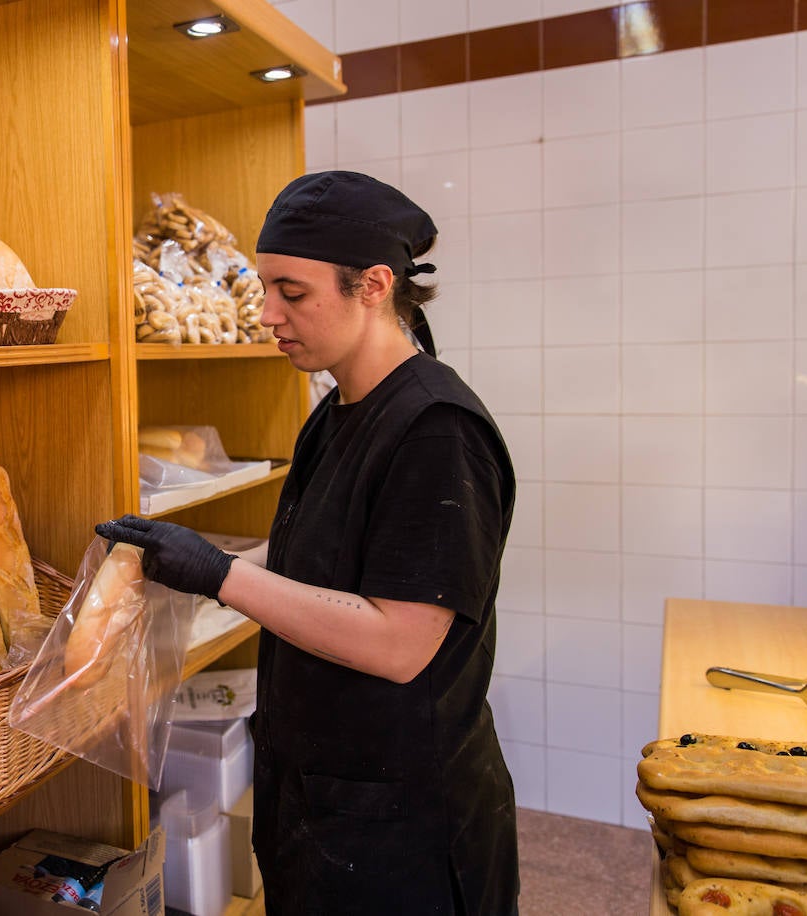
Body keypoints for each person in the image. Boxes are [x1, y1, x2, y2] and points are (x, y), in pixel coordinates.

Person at [97, 171, 519, 915]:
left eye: (292, 293)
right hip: (321, 802)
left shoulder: (437, 432)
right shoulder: (336, 412)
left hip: (403, 827)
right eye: (266, 289)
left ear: (374, 286)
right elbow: (318, 556)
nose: (268, 314)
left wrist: (221, 575)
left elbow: (399, 643)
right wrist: (191, 564)